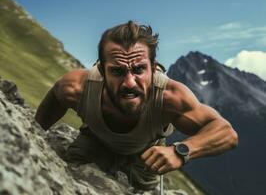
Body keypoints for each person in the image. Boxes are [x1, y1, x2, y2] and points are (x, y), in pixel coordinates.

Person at [35, 20, 238, 191]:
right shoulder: (77, 88)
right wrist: (33, 135)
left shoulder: (170, 97)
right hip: (95, 142)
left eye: (139, 69)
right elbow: (52, 102)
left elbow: (227, 133)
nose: (130, 82)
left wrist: (181, 151)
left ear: (154, 67)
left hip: (147, 156)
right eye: (117, 71)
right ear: (101, 69)